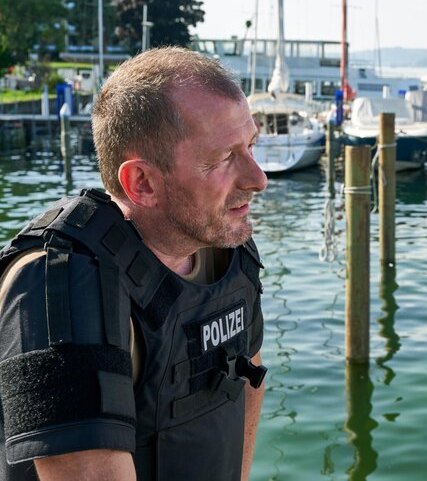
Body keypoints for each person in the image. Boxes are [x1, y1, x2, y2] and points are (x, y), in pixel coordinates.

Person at [0, 46, 269, 480]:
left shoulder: (228, 254)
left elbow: (249, 377)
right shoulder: (58, 289)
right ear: (141, 182)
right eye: (223, 158)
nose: (258, 178)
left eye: (251, 146)